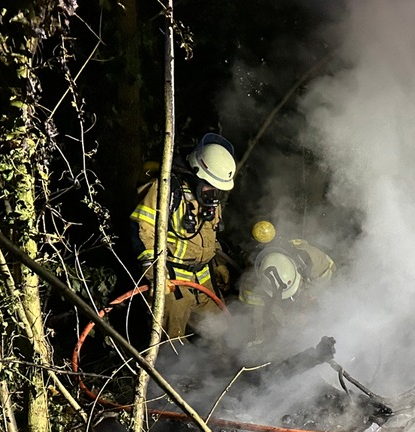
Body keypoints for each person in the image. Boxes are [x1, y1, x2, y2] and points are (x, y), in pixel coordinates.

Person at [129, 133, 236, 340]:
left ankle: (226, 372)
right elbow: (142, 231)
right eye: (210, 186)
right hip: (173, 284)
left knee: (223, 336)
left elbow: (209, 236)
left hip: (204, 282)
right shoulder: (165, 192)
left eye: (218, 189)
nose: (214, 193)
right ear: (196, 174)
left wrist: (217, 264)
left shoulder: (210, 198)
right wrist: (156, 277)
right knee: (171, 344)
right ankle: (169, 373)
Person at [237, 219, 335, 348]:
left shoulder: (313, 260)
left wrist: (312, 300)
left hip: (310, 282)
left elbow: (331, 277)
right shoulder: (250, 284)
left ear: (297, 269)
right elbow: (257, 317)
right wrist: (261, 340)